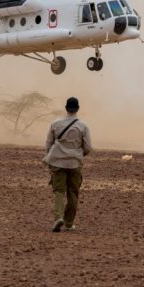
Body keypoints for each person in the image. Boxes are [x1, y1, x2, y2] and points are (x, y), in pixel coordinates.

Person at [43, 97, 92, 232]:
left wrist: (51, 157)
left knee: (59, 191)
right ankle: (69, 223)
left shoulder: (55, 123)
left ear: (66, 108)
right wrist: (79, 155)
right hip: (75, 162)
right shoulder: (83, 126)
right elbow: (88, 147)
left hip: (58, 161)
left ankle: (58, 217)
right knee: (73, 193)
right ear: (77, 109)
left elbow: (48, 143)